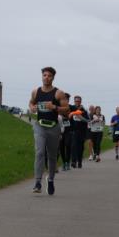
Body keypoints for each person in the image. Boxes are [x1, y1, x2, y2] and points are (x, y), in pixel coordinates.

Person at [28, 67, 69, 195]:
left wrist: (55, 107)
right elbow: (31, 103)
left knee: (51, 156)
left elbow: (67, 109)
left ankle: (50, 179)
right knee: (39, 152)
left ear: (53, 78)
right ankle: (37, 182)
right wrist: (32, 108)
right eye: (44, 75)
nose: (46, 77)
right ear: (42, 76)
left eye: (49, 76)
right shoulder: (36, 91)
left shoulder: (58, 93)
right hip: (39, 126)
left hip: (53, 127)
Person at [67, 96, 89, 169]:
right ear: (74, 101)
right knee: (73, 146)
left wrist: (81, 118)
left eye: (78, 101)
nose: (77, 102)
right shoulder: (71, 108)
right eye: (76, 101)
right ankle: (73, 161)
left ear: (80, 102)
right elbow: (68, 117)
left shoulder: (84, 110)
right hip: (73, 130)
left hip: (82, 130)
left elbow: (87, 120)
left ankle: (79, 161)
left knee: (80, 147)